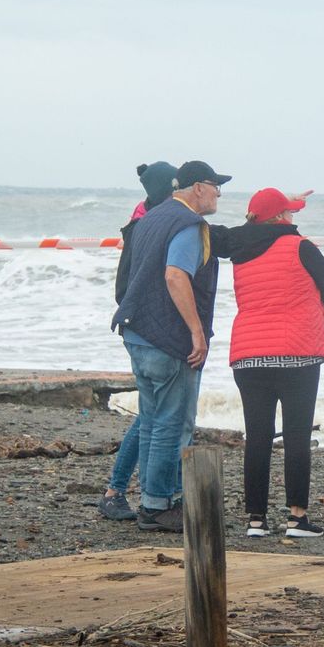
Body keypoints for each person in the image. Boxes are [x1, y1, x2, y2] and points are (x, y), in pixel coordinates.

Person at [110, 159, 233, 533]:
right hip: (167, 338)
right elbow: (175, 276)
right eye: (215, 186)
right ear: (198, 187)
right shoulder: (189, 224)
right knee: (171, 424)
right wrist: (196, 332)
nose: (218, 194)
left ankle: (154, 499)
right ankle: (157, 505)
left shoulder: (151, 217)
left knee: (152, 422)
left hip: (137, 331)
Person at [224, 188, 324, 539]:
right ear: (279, 219)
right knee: (296, 436)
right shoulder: (301, 246)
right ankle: (296, 518)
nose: (293, 217)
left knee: (257, 437)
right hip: (298, 354)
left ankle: (256, 521)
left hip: (248, 354)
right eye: (289, 212)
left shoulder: (240, 252)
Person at [98, 161, 178, 522]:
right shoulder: (151, 225)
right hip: (149, 332)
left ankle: (128, 493)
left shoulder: (143, 222)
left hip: (140, 330)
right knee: (151, 417)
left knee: (149, 415)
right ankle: (131, 494)